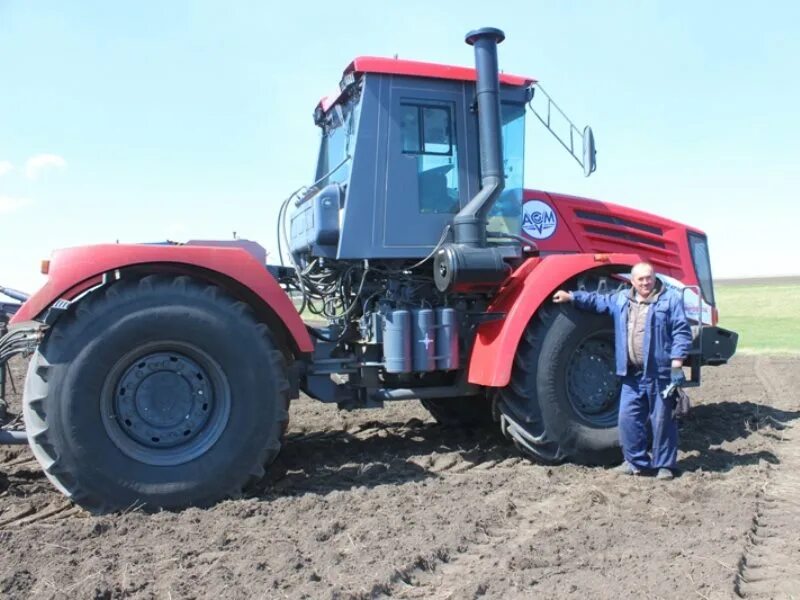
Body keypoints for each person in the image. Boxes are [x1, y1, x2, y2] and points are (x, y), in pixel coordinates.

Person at [552, 262, 692, 479]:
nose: (646, 282)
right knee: (628, 419)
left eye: (649, 277)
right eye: (641, 279)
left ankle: (664, 465)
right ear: (632, 281)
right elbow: (597, 301)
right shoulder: (621, 299)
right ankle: (635, 462)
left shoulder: (670, 300)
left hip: (660, 373)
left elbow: (682, 333)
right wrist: (572, 296)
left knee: (663, 420)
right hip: (631, 374)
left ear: (654, 278)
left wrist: (676, 365)